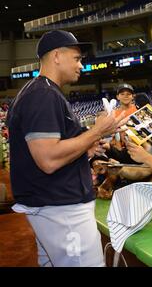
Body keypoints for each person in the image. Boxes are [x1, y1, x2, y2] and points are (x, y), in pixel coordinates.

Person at [6, 30, 125, 267]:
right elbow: (48, 159)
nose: (81, 65)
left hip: (53, 205)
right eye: (77, 58)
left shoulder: (42, 92)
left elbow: (54, 152)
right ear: (57, 56)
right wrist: (97, 131)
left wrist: (86, 148)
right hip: (61, 208)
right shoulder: (43, 94)